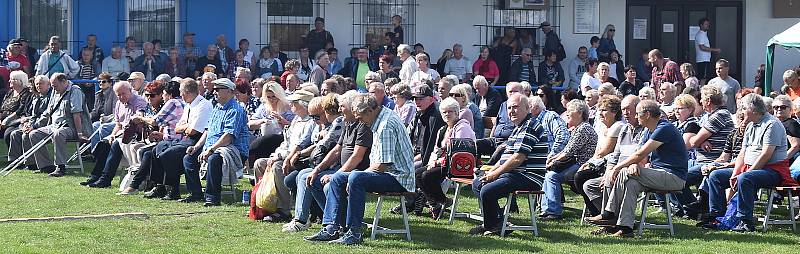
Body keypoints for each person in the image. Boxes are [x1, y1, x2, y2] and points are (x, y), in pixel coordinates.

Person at [304, 93, 414, 245]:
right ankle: (331, 228)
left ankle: (354, 232)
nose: (359, 121)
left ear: (369, 111)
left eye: (360, 117)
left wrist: (354, 176)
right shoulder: (378, 118)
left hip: (399, 178)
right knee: (337, 177)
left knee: (355, 177)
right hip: (388, 173)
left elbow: (381, 166)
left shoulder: (386, 126)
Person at [586, 100, 688, 237]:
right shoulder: (648, 130)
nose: (635, 117)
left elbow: (640, 153)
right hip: (658, 174)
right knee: (631, 183)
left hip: (674, 177)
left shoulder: (664, 128)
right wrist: (634, 164)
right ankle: (625, 228)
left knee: (622, 171)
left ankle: (608, 213)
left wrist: (617, 167)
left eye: (638, 114)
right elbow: (641, 157)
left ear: (647, 114)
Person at [703, 93, 796, 232]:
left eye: (743, 108)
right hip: (751, 168)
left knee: (745, 178)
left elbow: (766, 154)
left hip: (773, 171)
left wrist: (746, 172)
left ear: (752, 109)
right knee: (715, 176)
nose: (741, 111)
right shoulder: (751, 125)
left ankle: (745, 221)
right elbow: (742, 153)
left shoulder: (772, 124)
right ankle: (717, 217)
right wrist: (735, 174)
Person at [469, 94, 550, 236]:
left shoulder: (530, 126)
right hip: (514, 173)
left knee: (487, 190)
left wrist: (495, 174)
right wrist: (489, 172)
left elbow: (518, 159)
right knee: (478, 183)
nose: (512, 111)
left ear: (527, 108)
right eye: (509, 108)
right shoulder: (519, 127)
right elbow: (505, 159)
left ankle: (494, 224)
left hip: (528, 176)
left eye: (515, 107)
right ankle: (496, 222)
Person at [280, 94, 344, 232]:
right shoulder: (324, 124)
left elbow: (324, 145)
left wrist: (321, 139)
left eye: (317, 116)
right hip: (324, 165)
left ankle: (307, 220)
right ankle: (304, 218)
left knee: (304, 177)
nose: (314, 120)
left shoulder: (338, 122)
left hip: (337, 168)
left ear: (325, 111)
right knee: (300, 176)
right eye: (312, 117)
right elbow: (305, 143)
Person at [182, 78, 249, 207]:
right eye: (214, 89)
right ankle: (195, 194)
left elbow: (228, 136)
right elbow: (208, 131)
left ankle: (212, 198)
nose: (214, 92)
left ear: (229, 91)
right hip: (213, 147)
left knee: (214, 159)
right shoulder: (217, 108)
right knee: (188, 158)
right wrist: (196, 147)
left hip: (233, 150)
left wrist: (210, 150)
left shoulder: (235, 110)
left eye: (218, 90)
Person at [253, 90, 316, 221]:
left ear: (303, 105)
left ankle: (284, 210)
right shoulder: (296, 120)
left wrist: (279, 156)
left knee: (277, 166)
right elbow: (286, 142)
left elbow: (300, 145)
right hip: (284, 154)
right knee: (259, 163)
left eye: (294, 102)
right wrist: (275, 154)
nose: (291, 105)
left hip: (298, 160)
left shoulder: (311, 122)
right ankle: (262, 204)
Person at [118, 81, 184, 195]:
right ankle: (154, 185)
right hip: (171, 139)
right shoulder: (182, 102)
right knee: (146, 152)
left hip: (173, 142)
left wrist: (140, 119)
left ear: (169, 94)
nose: (163, 97)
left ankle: (138, 185)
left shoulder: (172, 102)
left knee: (148, 153)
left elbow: (155, 121)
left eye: (163, 94)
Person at [418, 97, 477, 219]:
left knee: (426, 176)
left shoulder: (463, 127)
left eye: (450, 111)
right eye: (444, 112)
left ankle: (440, 202)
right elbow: (436, 149)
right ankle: (437, 204)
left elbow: (458, 152)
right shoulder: (443, 129)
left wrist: (438, 162)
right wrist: (431, 163)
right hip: (444, 163)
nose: (447, 114)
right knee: (417, 174)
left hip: (460, 165)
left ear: (457, 112)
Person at [154, 79, 212, 200]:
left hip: (198, 140)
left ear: (188, 92)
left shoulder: (203, 105)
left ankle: (174, 190)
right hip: (186, 139)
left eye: (181, 92)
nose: (180, 95)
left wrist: (186, 127)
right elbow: (177, 128)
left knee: (169, 155)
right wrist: (187, 126)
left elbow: (194, 131)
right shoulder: (188, 105)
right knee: (158, 149)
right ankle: (161, 186)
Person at [540, 99, 597, 221]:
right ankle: (546, 209)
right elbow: (566, 150)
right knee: (548, 173)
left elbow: (568, 152)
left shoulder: (584, 129)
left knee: (552, 176)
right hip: (575, 163)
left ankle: (553, 211)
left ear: (580, 113)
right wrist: (552, 159)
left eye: (570, 111)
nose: (567, 113)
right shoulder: (578, 128)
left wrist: (551, 161)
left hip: (583, 165)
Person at [25, 73, 91, 176]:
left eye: (55, 85)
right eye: (52, 86)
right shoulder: (55, 92)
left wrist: (79, 133)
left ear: (64, 82)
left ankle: (61, 167)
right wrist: (34, 126)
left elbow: (76, 114)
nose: (54, 88)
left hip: (72, 126)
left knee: (58, 133)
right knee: (34, 134)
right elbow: (47, 113)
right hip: (55, 125)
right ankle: (46, 166)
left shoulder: (75, 91)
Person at [83, 81, 147, 186]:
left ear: (130, 91)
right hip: (121, 133)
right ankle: (95, 176)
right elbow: (118, 124)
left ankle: (105, 179)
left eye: (123, 94)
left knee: (115, 144)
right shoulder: (118, 104)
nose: (121, 97)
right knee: (104, 143)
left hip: (135, 134)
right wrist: (112, 135)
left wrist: (137, 117)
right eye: (118, 95)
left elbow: (139, 118)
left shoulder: (139, 101)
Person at [573, 95, 624, 216]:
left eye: (604, 110)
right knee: (579, 176)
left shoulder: (618, 127)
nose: (600, 113)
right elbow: (597, 152)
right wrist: (587, 163)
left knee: (580, 177)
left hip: (611, 166)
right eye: (600, 110)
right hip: (600, 164)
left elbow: (604, 152)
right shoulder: (602, 127)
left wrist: (589, 163)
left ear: (614, 112)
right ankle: (596, 210)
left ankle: (598, 212)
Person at [248, 81, 294, 166]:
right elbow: (250, 124)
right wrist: (262, 120)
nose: (272, 100)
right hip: (266, 137)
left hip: (283, 137)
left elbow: (295, 126)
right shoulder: (264, 107)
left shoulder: (287, 107)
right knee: (263, 142)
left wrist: (282, 120)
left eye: (274, 97)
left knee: (266, 140)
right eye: (269, 97)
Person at [8, 75, 51, 163]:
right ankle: (14, 161)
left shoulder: (50, 97)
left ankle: (31, 163)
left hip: (45, 125)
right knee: (14, 133)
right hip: (33, 123)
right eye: (37, 84)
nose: (39, 86)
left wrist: (33, 126)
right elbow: (33, 115)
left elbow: (45, 116)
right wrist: (27, 124)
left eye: (41, 84)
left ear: (48, 84)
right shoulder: (36, 97)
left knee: (26, 135)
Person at [0, 71, 33, 147]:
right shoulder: (10, 92)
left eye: (12, 79)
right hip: (3, 121)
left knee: (8, 134)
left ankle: (15, 156)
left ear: (20, 81)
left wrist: (7, 120)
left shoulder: (26, 93)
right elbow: (2, 108)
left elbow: (20, 110)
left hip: (16, 121)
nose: (9, 81)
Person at [695, 17, 722, 85]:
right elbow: (702, 47)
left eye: (708, 24)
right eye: (706, 24)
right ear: (701, 25)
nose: (707, 26)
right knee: (703, 77)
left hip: (705, 59)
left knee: (705, 76)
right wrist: (715, 50)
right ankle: (701, 92)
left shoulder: (704, 34)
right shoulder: (700, 34)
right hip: (702, 59)